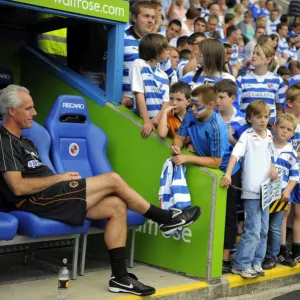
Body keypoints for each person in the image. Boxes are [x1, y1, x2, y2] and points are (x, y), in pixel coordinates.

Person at [0, 84, 201, 296]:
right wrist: (59, 179)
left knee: (116, 206)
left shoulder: (27, 141)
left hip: (55, 195)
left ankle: (120, 278)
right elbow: (18, 187)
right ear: (12, 111)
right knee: (112, 180)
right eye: (29, 108)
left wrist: (61, 182)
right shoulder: (4, 141)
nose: (35, 112)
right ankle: (165, 218)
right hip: (36, 201)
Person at [171, 85, 241, 273]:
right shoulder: (191, 116)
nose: (192, 109)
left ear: (211, 105)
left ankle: (225, 258)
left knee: (228, 216)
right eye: (192, 105)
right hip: (205, 164)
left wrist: (187, 158)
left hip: (228, 170)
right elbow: (179, 136)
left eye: (196, 106)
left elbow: (216, 161)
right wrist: (177, 147)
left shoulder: (217, 126)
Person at [221, 100, 277, 278]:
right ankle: (242, 263)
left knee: (263, 229)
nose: (263, 120)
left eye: (266, 117)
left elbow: (269, 156)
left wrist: (272, 168)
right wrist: (228, 174)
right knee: (252, 229)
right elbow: (235, 155)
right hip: (251, 191)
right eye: (258, 116)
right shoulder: (246, 135)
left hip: (265, 192)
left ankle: (256, 262)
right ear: (249, 118)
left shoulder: (269, 134)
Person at [262, 114, 299, 270]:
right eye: (282, 127)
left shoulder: (292, 153)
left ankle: (272, 255)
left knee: (276, 227)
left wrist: (288, 192)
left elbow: (295, 176)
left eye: (289, 130)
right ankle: (260, 255)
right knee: (261, 227)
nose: (284, 131)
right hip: (262, 193)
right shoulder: (265, 145)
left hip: (281, 195)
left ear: (292, 133)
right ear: (275, 126)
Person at [122, 1, 174, 108]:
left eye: (153, 17)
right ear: (134, 17)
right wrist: (119, 96)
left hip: (156, 109)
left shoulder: (159, 42)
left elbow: (169, 76)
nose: (151, 21)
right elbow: (106, 72)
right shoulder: (121, 37)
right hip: (128, 107)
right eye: (146, 16)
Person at [130, 34, 170, 139]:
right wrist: (147, 121)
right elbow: (139, 93)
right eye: (166, 49)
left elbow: (166, 102)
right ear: (156, 50)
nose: (168, 52)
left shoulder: (164, 75)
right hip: (146, 122)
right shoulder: (139, 64)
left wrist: (158, 118)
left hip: (159, 122)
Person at [236, 41, 285, 124]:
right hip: (246, 126)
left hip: (269, 128)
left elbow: (279, 109)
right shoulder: (241, 79)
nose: (254, 56)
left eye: (258, 54)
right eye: (253, 53)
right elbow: (236, 106)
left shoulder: (278, 81)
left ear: (268, 59)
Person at [281, 83, 300, 263]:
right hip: (286, 175)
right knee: (284, 213)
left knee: (298, 214)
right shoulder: (284, 124)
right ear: (290, 102)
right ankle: (281, 249)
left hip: (298, 175)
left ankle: (296, 247)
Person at [215, 79, 246, 146]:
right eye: (215, 97)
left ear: (232, 98)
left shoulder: (243, 120)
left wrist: (231, 140)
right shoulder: (210, 115)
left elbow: (246, 149)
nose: (217, 100)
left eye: (221, 97)